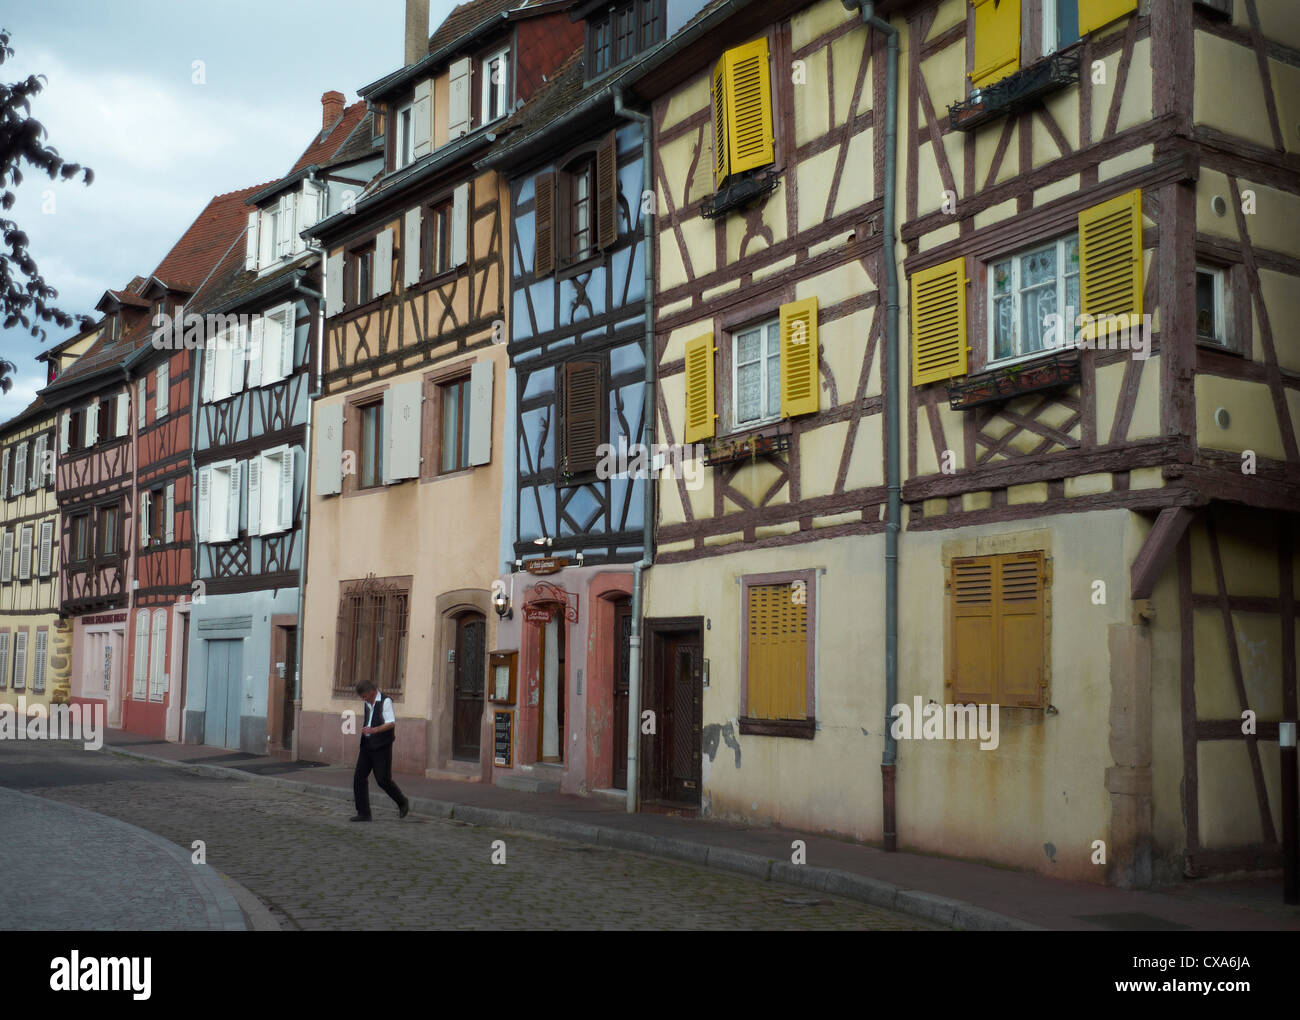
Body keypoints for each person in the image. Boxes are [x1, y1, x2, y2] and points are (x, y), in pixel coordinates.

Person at [351, 679, 410, 821]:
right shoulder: (367, 702)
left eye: (364, 696)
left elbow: (390, 723)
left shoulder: (386, 701)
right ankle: (363, 813)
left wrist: (375, 729)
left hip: (382, 746)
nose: (363, 699)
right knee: (359, 777)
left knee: (382, 779)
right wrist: (367, 731)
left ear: (372, 692)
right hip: (367, 744)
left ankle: (402, 801)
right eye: (362, 697)